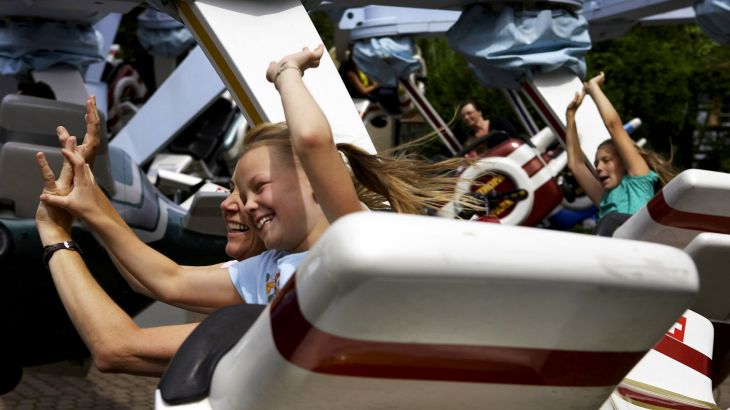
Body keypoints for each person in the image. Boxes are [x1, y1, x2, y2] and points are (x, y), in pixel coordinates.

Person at [36, 45, 479, 375]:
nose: (245, 204)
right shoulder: (270, 268)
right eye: (238, 191)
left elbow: (310, 140)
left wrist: (287, 72)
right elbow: (167, 279)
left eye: (258, 186)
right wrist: (91, 206)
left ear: (312, 179)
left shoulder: (353, 239)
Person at [565, 72, 676, 219]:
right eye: (596, 163)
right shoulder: (604, 198)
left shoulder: (638, 182)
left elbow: (613, 126)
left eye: (606, 160)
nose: (598, 168)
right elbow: (576, 165)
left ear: (625, 161)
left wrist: (594, 89)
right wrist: (570, 115)